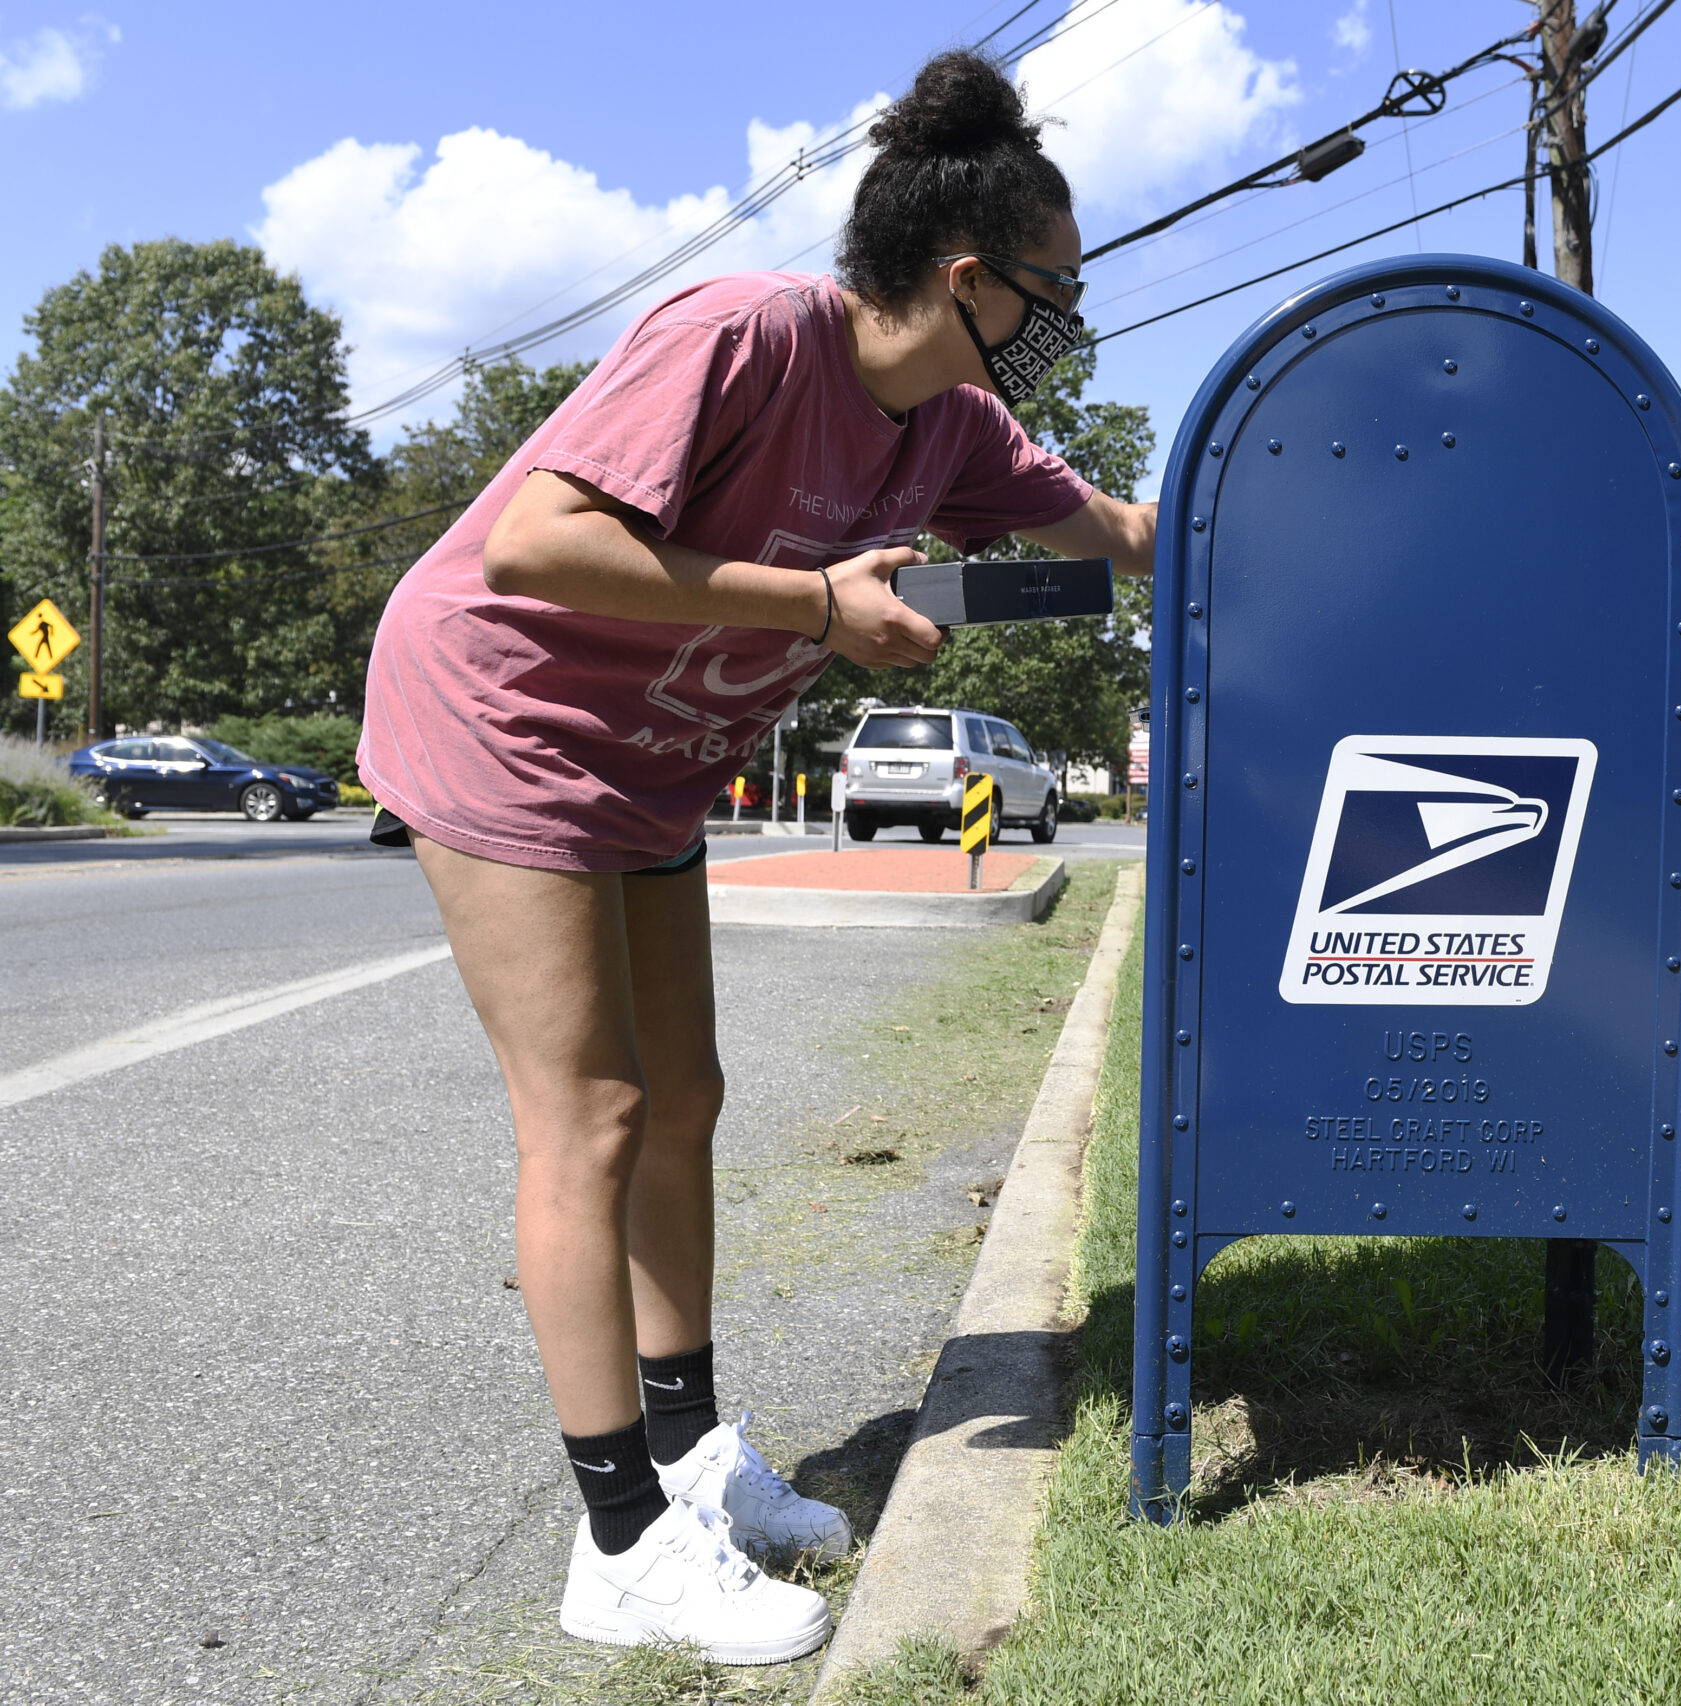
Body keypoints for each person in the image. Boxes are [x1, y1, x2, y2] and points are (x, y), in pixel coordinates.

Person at [356, 51, 1154, 1666]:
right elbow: (533, 539)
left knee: (686, 1097)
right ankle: (621, 1545)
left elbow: (1120, 533)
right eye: (1052, 288)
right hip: (507, 715)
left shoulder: (956, 430)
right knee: (593, 1112)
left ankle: (691, 1454)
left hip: (651, 757)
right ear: (967, 277)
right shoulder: (749, 334)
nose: (1067, 316)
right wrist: (814, 605)